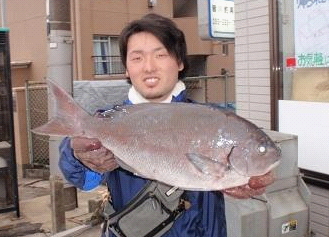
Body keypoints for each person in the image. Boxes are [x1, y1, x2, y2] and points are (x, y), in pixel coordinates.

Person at [59, 13, 274, 237]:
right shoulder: (106, 122)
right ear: (126, 68)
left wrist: (254, 178)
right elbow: (83, 180)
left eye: (160, 55)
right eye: (137, 58)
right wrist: (78, 156)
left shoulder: (216, 121)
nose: (149, 67)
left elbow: (250, 168)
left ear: (179, 62)